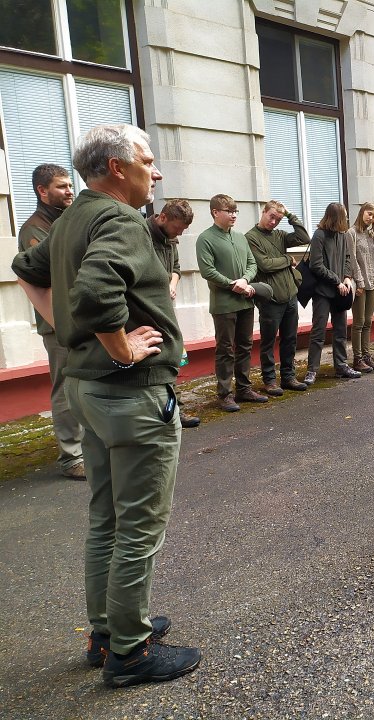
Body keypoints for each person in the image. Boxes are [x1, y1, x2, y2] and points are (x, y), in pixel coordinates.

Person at [10, 124, 201, 687]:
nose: (156, 172)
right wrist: (119, 348)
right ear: (118, 167)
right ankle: (131, 652)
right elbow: (96, 293)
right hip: (131, 393)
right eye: (147, 160)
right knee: (138, 525)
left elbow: (25, 271)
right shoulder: (120, 219)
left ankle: (107, 632)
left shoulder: (71, 217)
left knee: (107, 517)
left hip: (87, 390)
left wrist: (71, 332)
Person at [16, 163, 85, 479]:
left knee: (85, 385)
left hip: (80, 316)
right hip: (57, 322)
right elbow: (53, 273)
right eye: (62, 186)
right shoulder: (35, 229)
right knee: (66, 388)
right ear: (42, 191)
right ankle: (72, 458)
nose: (70, 191)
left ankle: (89, 448)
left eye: (70, 185)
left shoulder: (66, 221)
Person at [196, 194, 268, 411]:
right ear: (215, 212)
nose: (234, 215)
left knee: (245, 346)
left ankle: (244, 389)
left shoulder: (240, 237)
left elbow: (252, 264)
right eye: (229, 211)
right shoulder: (205, 238)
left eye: (236, 211)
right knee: (225, 349)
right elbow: (207, 271)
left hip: (245, 301)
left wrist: (245, 280)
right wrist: (232, 284)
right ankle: (225, 394)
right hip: (224, 304)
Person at [245, 199, 310, 394]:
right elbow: (265, 265)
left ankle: (288, 377)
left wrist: (290, 216)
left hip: (290, 295)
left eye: (278, 219)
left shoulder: (280, 235)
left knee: (290, 339)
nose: (273, 222)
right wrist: (287, 259)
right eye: (271, 216)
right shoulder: (251, 237)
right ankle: (269, 380)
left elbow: (304, 237)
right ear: (263, 212)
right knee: (268, 341)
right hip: (270, 299)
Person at [148, 199, 201, 427]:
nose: (179, 233)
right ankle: (160, 415)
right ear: (163, 217)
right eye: (177, 228)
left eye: (183, 230)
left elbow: (176, 268)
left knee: (172, 358)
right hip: (147, 311)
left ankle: (176, 410)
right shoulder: (141, 235)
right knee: (155, 363)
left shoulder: (170, 239)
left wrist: (172, 283)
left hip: (166, 308)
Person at [305, 202, 360, 382]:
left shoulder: (343, 235)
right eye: (344, 216)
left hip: (340, 291)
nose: (347, 219)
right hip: (322, 291)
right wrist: (337, 281)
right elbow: (316, 265)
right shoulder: (319, 235)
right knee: (318, 331)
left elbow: (348, 258)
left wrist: (347, 277)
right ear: (336, 217)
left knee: (341, 330)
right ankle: (312, 370)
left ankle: (341, 366)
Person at [348, 202, 374, 372]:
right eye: (369, 214)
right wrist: (359, 281)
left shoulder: (372, 233)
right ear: (362, 212)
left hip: (373, 281)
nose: (371, 218)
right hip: (360, 283)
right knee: (359, 322)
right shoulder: (351, 233)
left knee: (368, 321)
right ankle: (357, 358)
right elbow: (352, 259)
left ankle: (366, 356)